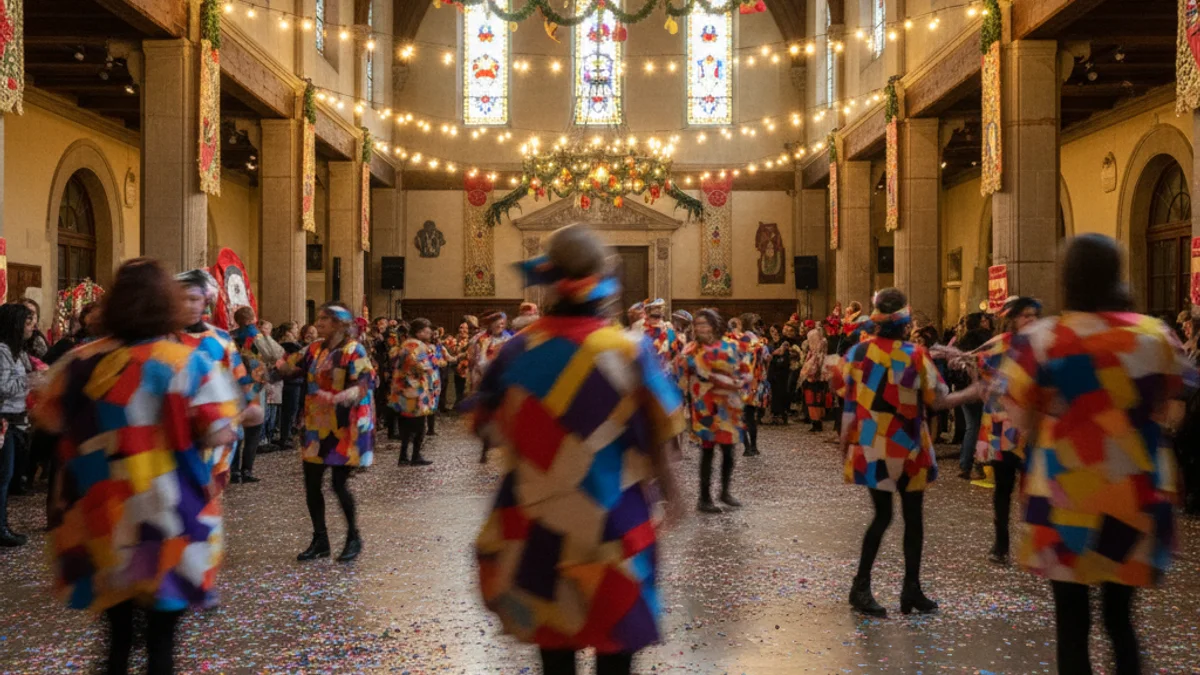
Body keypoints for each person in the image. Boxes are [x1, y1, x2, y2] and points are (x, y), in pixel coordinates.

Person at [474, 223, 684, 675]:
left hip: (538, 519)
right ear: (604, 281)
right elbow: (663, 429)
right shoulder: (629, 349)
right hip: (614, 517)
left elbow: (484, 426)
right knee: (615, 655)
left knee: (555, 653)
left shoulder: (516, 350)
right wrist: (673, 493)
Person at [1000, 235, 1195, 675]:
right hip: (1134, 492)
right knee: (1121, 619)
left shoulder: (1041, 339)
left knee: (1072, 623)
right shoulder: (1154, 334)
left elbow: (1020, 422)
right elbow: (1174, 410)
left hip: (1065, 492)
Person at [32, 258, 239, 675]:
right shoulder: (183, 361)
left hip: (100, 512)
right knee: (162, 643)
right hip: (167, 512)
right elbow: (221, 430)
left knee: (118, 638)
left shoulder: (79, 362)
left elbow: (47, 418)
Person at [839, 288, 978, 617]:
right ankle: (909, 589)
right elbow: (938, 401)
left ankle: (863, 587)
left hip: (873, 444)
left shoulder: (858, 352)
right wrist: (974, 391)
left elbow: (844, 391)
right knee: (913, 519)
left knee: (882, 516)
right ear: (904, 321)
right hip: (908, 444)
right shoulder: (914, 355)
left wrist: (847, 436)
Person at [277, 303, 376, 562]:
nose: (319, 323)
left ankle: (354, 536)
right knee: (311, 484)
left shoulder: (354, 350)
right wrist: (265, 370)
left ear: (340, 325)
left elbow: (365, 383)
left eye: (325, 319)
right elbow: (289, 366)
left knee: (338, 484)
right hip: (315, 426)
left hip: (345, 427)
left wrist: (340, 396)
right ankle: (320, 539)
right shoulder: (314, 349)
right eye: (319, 318)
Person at [175, 269, 253, 490]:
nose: (188, 305)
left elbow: (239, 381)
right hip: (175, 433)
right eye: (182, 299)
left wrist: (247, 408)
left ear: (205, 301)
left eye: (194, 299)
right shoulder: (163, 338)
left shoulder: (220, 339)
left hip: (217, 436)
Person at [677, 309, 745, 513]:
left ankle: (725, 491)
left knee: (728, 451)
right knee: (707, 452)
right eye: (697, 325)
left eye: (704, 324)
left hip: (727, 406)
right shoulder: (690, 350)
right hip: (704, 407)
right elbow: (683, 378)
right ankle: (704, 498)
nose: (700, 328)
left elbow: (739, 369)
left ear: (714, 326)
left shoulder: (729, 346)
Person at [0, 303, 34, 546]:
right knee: (4, 476)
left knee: (6, 475)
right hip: (3, 419)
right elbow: (2, 387)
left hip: (14, 419)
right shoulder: (2, 351)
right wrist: (29, 381)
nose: (31, 326)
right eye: (27, 322)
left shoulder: (15, 350)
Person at [230, 306, 275, 483]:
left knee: (236, 430)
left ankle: (234, 471)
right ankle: (247, 470)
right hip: (254, 385)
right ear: (253, 317)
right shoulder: (257, 336)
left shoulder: (230, 336)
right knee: (253, 431)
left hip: (234, 386)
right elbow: (272, 355)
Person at [390, 318, 436, 466]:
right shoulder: (419, 346)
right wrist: (429, 369)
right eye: (427, 331)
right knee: (419, 425)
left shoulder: (404, 344)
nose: (429, 333)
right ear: (419, 332)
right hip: (415, 390)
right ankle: (415, 455)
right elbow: (421, 365)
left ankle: (403, 456)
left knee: (405, 425)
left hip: (401, 388)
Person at [953, 312, 993, 479]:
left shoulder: (961, 341)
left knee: (972, 427)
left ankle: (965, 464)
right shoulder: (986, 339)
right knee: (984, 427)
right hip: (982, 388)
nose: (986, 322)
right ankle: (981, 464)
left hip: (964, 389)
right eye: (983, 320)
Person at [470, 311, 511, 463]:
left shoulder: (509, 338)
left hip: (504, 381)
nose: (501, 325)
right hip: (486, 380)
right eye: (498, 322)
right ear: (491, 324)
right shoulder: (481, 339)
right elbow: (476, 360)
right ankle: (485, 449)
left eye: (503, 322)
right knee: (487, 417)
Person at [731, 313, 769, 456]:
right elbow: (766, 357)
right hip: (754, 380)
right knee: (750, 415)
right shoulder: (757, 341)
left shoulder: (739, 340)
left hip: (741, 381)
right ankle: (753, 446)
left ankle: (748, 447)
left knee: (742, 416)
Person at [274, 322, 305, 450]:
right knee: (289, 410)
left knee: (291, 410)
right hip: (291, 380)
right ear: (287, 332)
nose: (297, 331)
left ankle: (286, 436)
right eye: (295, 328)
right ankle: (284, 437)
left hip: (294, 380)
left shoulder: (292, 344)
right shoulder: (288, 345)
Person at [800, 327, 832, 432]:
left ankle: (816, 422)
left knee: (814, 401)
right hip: (819, 381)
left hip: (814, 381)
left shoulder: (816, 354)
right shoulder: (820, 352)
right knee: (817, 401)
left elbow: (813, 369)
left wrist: (806, 372)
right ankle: (817, 421)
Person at [643, 298, 685, 377]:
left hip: (666, 370)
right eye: (655, 309)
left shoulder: (669, 328)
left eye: (660, 308)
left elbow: (676, 350)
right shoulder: (643, 330)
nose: (658, 311)